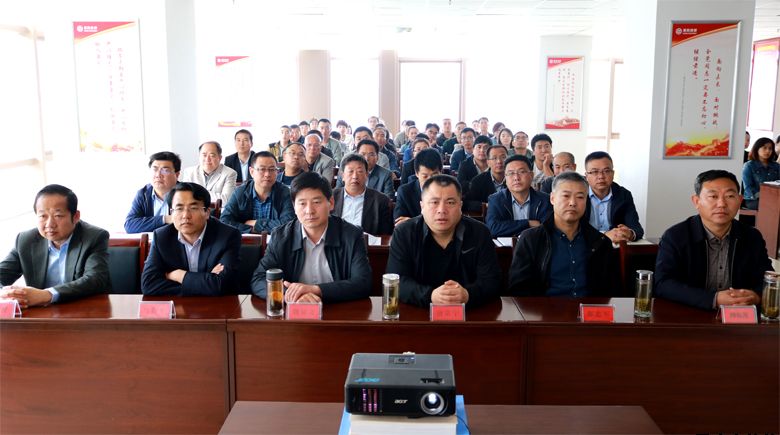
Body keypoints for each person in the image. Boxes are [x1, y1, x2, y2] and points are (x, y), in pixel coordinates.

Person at [654, 170, 771, 310]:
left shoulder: (752, 237)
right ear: (696, 201)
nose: (721, 204)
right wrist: (714, 299)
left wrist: (756, 296)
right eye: (713, 196)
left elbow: (767, 280)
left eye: (730, 196)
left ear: (740, 200)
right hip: (689, 314)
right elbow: (662, 284)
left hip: (739, 316)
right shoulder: (676, 236)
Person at [251, 172, 372, 303]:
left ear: (331, 203)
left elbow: (363, 283)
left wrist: (316, 290)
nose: (309, 211)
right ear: (294, 207)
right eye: (302, 203)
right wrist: (290, 295)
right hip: (296, 310)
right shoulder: (281, 237)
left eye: (316, 202)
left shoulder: (351, 235)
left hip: (338, 308)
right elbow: (259, 279)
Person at [386, 174, 501, 308]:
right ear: (422, 206)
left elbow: (492, 281)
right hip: (418, 312)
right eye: (434, 202)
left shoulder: (480, 233)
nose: (441, 210)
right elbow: (396, 281)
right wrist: (430, 296)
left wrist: (467, 294)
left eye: (450, 202)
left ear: (460, 206)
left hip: (470, 313)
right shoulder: (404, 233)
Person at [507, 172, 621, 297]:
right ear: (552, 198)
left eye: (580, 197)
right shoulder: (531, 239)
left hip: (589, 308)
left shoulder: (600, 242)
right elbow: (518, 289)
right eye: (566, 196)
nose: (572, 203)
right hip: (545, 308)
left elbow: (611, 290)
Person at [0, 184, 110, 307]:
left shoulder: (94, 237)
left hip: (84, 309)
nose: (49, 224)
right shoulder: (25, 240)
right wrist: (7, 293)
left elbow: (95, 280)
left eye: (58, 216)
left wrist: (47, 295)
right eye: (43, 216)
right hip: (42, 313)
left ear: (76, 216)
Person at [141, 182, 240, 296]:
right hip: (178, 306)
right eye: (179, 208)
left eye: (193, 208)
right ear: (171, 213)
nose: (185, 215)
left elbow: (222, 285)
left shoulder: (227, 236)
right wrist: (207, 282)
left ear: (207, 213)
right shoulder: (162, 237)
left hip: (218, 306)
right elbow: (149, 285)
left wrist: (177, 275)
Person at [220, 151, 295, 234]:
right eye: (262, 169)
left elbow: (289, 224)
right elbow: (225, 221)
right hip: (245, 241)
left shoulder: (284, 192)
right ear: (252, 172)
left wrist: (256, 224)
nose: (267, 174)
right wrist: (250, 229)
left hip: (275, 241)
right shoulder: (240, 192)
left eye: (272, 169)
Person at [583, 151, 644, 242]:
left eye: (606, 171)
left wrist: (630, 233)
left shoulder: (623, 195)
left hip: (614, 246)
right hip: (586, 245)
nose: (601, 176)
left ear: (613, 173)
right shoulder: (579, 194)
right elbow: (573, 230)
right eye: (595, 172)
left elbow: (637, 229)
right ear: (586, 176)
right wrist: (604, 236)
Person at [486, 155, 552, 237]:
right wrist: (528, 223)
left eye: (522, 172)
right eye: (511, 173)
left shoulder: (545, 200)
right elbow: (493, 228)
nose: (516, 178)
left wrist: (511, 228)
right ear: (505, 178)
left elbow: (546, 228)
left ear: (531, 175)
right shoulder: (496, 200)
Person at [332, 154, 393, 236]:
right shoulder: (330, 197)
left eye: (360, 171)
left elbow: (385, 234)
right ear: (343, 176)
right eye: (350, 171)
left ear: (366, 175)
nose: (355, 176)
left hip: (368, 243)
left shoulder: (381, 201)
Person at [124, 151, 181, 233]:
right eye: (155, 169)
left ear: (177, 174)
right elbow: (130, 225)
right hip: (151, 241)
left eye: (165, 170)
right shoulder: (143, 194)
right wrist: (165, 219)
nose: (158, 175)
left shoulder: (186, 193)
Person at [394, 148, 442, 226]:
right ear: (416, 173)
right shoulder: (405, 192)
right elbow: (399, 223)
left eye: (434, 175)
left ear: (441, 172)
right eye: (425, 176)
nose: (430, 181)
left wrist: (413, 222)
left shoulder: (449, 190)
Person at [742, 137, 780, 210]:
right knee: (771, 206)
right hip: (753, 200)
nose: (768, 151)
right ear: (757, 149)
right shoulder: (749, 166)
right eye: (764, 148)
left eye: (770, 148)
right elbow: (748, 188)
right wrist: (765, 195)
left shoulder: (776, 166)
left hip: (774, 198)